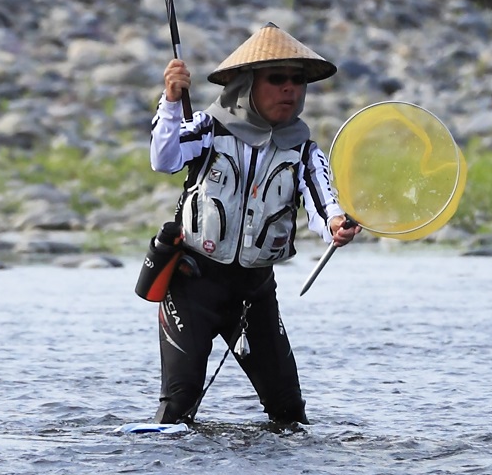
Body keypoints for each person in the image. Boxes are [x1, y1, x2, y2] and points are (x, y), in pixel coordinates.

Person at [147, 22, 358, 425]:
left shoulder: (304, 151)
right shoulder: (207, 130)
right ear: (247, 85)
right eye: (276, 79)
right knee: (178, 408)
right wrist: (172, 101)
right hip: (192, 286)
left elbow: (324, 203)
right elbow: (164, 158)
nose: (289, 89)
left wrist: (335, 224)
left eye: (297, 81)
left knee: (289, 414)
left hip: (254, 294)